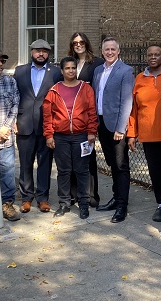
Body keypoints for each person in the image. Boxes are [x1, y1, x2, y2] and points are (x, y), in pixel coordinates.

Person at [43, 57, 99, 220]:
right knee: (64, 171)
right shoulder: (54, 90)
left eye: (73, 68)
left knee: (82, 171)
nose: (71, 71)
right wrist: (49, 135)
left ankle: (83, 203)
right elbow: (48, 115)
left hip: (81, 136)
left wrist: (91, 132)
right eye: (67, 68)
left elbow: (92, 112)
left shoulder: (85, 88)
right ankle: (64, 203)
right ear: (62, 71)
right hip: (61, 137)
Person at [13, 39, 63, 214]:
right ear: (31, 52)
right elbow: (14, 97)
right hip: (24, 124)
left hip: (46, 126)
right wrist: (13, 120)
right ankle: (26, 198)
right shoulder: (20, 71)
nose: (40, 54)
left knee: (45, 163)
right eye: (37, 51)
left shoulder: (56, 73)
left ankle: (43, 198)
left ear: (48, 53)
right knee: (25, 163)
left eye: (44, 51)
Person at [127, 44, 161, 222]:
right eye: (150, 55)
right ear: (146, 57)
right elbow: (133, 108)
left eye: (157, 54)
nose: (153, 57)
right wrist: (132, 133)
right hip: (148, 135)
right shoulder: (140, 78)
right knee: (156, 171)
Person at [92, 37, 135, 223]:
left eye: (113, 49)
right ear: (102, 52)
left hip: (116, 126)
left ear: (118, 51)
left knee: (120, 165)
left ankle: (122, 206)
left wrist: (121, 128)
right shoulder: (98, 70)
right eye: (106, 49)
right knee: (111, 164)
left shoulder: (126, 70)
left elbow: (127, 101)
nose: (109, 52)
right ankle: (116, 197)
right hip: (101, 123)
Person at [68, 32, 104, 207]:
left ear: (87, 43)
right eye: (75, 43)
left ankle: (91, 195)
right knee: (73, 158)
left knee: (88, 157)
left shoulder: (97, 63)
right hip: (71, 118)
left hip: (88, 116)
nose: (78, 45)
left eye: (81, 42)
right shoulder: (69, 63)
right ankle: (74, 194)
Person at [0, 48, 21, 221]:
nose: (0, 64)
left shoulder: (10, 81)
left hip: (6, 139)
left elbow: (15, 105)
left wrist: (5, 129)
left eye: (2, 62)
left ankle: (7, 205)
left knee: (7, 172)